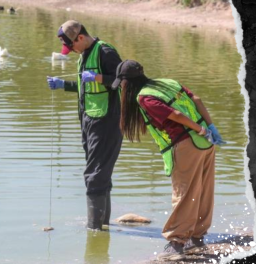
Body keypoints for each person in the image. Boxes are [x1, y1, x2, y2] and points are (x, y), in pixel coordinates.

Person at [111, 60, 225, 261]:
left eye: (121, 83)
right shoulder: (167, 83)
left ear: (128, 83)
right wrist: (210, 128)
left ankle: (177, 243)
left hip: (187, 144)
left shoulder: (145, 98)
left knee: (183, 192)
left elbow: (177, 115)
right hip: (206, 143)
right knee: (203, 190)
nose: (121, 87)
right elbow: (196, 99)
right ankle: (197, 238)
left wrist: (199, 129)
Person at [46, 20, 123, 230]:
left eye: (71, 46)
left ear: (80, 37)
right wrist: (63, 85)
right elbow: (86, 88)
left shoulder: (105, 52)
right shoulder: (83, 56)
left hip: (107, 121)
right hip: (89, 121)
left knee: (95, 175)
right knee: (100, 174)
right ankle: (103, 227)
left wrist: (98, 77)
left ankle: (94, 231)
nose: (70, 51)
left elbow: (124, 81)